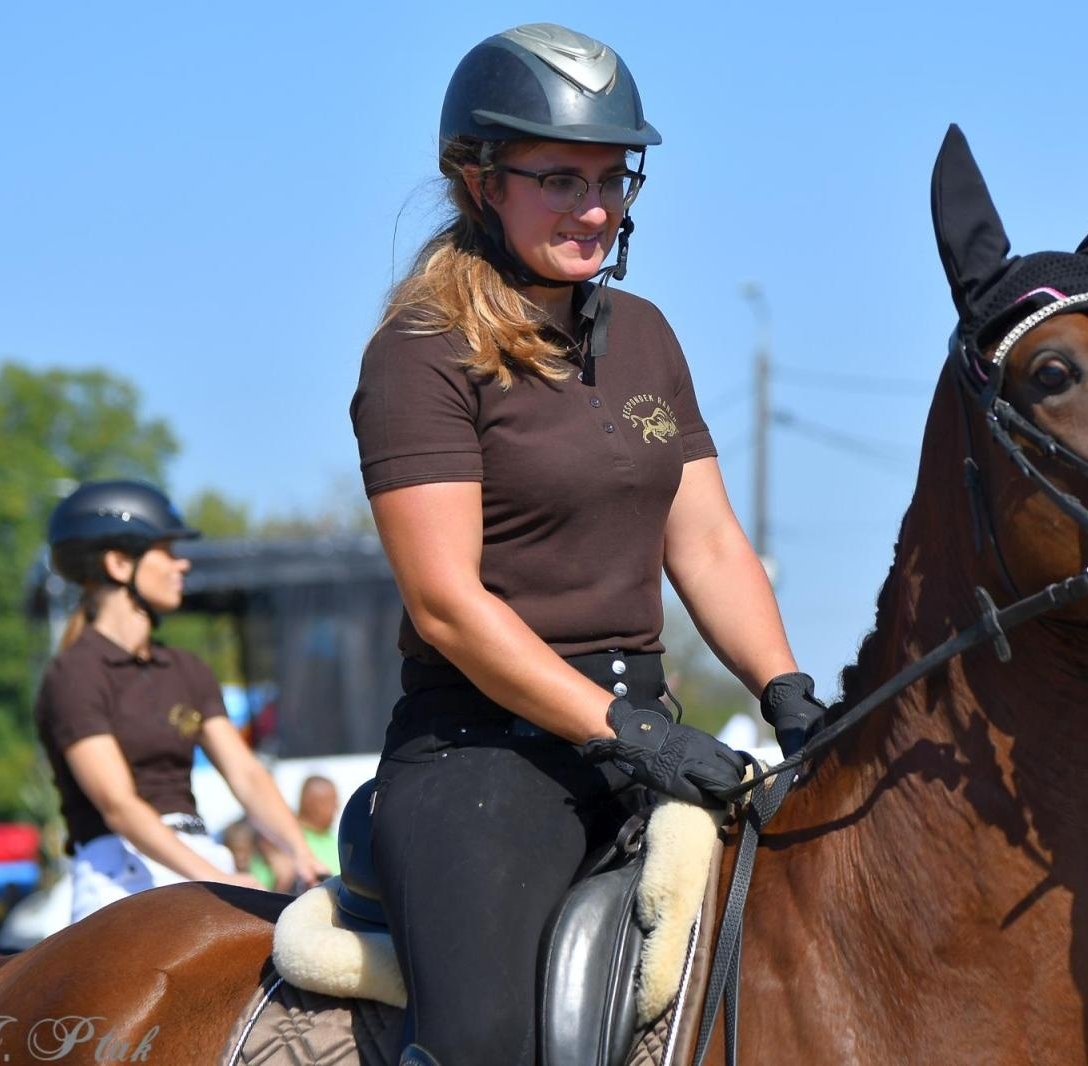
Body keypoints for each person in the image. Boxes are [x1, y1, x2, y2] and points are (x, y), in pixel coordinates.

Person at [349, 23, 828, 1065]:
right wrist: (625, 731)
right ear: (477, 179)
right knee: (481, 1043)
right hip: (483, 755)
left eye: (614, 178)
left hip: (645, 735)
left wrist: (783, 689)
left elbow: (704, 541)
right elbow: (446, 605)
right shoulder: (420, 355)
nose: (597, 207)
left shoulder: (647, 333)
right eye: (560, 178)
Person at [34, 479, 328, 922]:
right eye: (168, 552)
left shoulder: (186, 669)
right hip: (119, 873)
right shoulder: (73, 674)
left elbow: (246, 773)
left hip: (198, 854)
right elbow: (119, 805)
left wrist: (301, 852)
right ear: (118, 563)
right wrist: (214, 879)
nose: (182, 564)